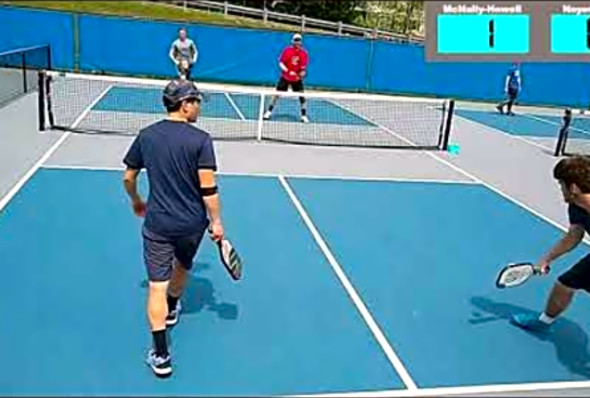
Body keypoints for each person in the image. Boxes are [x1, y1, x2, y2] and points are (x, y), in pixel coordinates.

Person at [122, 79, 224, 377]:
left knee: (156, 285)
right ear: (185, 104)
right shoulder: (201, 140)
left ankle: (161, 355)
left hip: (159, 223)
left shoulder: (146, 136)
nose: (199, 106)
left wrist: (136, 200)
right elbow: (209, 190)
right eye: (197, 101)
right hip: (192, 224)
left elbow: (128, 177)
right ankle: (173, 307)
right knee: (183, 265)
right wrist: (216, 222)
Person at [511, 156, 590, 333]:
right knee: (565, 284)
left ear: (574, 187)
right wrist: (546, 259)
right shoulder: (576, 206)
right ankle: (544, 322)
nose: (560, 189)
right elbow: (574, 236)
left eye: (561, 184)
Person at [263, 33, 309, 123]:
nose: (297, 42)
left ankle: (303, 116)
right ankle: (268, 112)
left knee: (302, 97)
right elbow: (281, 63)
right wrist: (288, 71)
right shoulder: (287, 51)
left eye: (299, 40)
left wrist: (300, 74)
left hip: (296, 80)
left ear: (301, 42)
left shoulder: (304, 54)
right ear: (292, 41)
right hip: (285, 77)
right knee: (276, 95)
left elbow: (303, 69)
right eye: (296, 40)